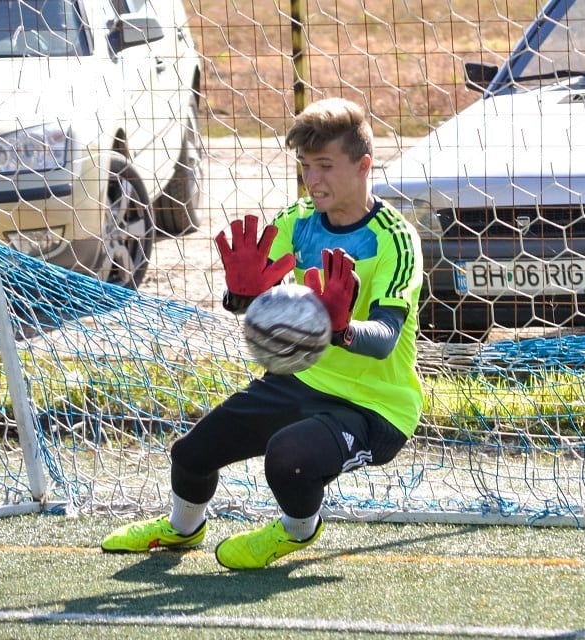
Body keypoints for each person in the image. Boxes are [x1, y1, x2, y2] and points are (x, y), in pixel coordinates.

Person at [101, 97, 424, 570]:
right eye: (307, 167)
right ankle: (182, 528)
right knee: (191, 455)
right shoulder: (296, 222)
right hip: (299, 380)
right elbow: (255, 299)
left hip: (375, 407)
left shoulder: (395, 239)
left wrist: (341, 328)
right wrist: (241, 295)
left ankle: (298, 531)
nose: (313, 181)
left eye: (326, 167)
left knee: (288, 458)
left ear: (363, 166)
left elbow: (385, 338)